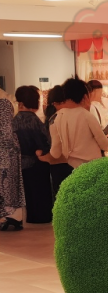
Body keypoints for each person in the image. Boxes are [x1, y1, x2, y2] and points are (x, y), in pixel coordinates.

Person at [49, 77, 108, 172]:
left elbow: (55, 152)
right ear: (85, 97)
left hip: (69, 168)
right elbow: (104, 144)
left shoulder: (55, 118)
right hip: (90, 167)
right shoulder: (86, 115)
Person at [13, 85, 53, 223]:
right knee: (40, 193)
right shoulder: (34, 120)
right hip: (37, 162)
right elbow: (46, 142)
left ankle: (31, 218)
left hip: (21, 162)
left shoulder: (14, 120)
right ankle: (42, 218)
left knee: (29, 194)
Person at [39, 85, 72, 197]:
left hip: (56, 164)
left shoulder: (51, 118)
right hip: (69, 162)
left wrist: (43, 157)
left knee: (60, 196)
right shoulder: (66, 117)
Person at [0, 98, 25, 231]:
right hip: (7, 154)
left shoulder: (3, 104)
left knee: (7, 187)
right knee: (8, 186)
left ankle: (11, 217)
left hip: (5, 154)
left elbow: (6, 132)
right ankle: (13, 217)